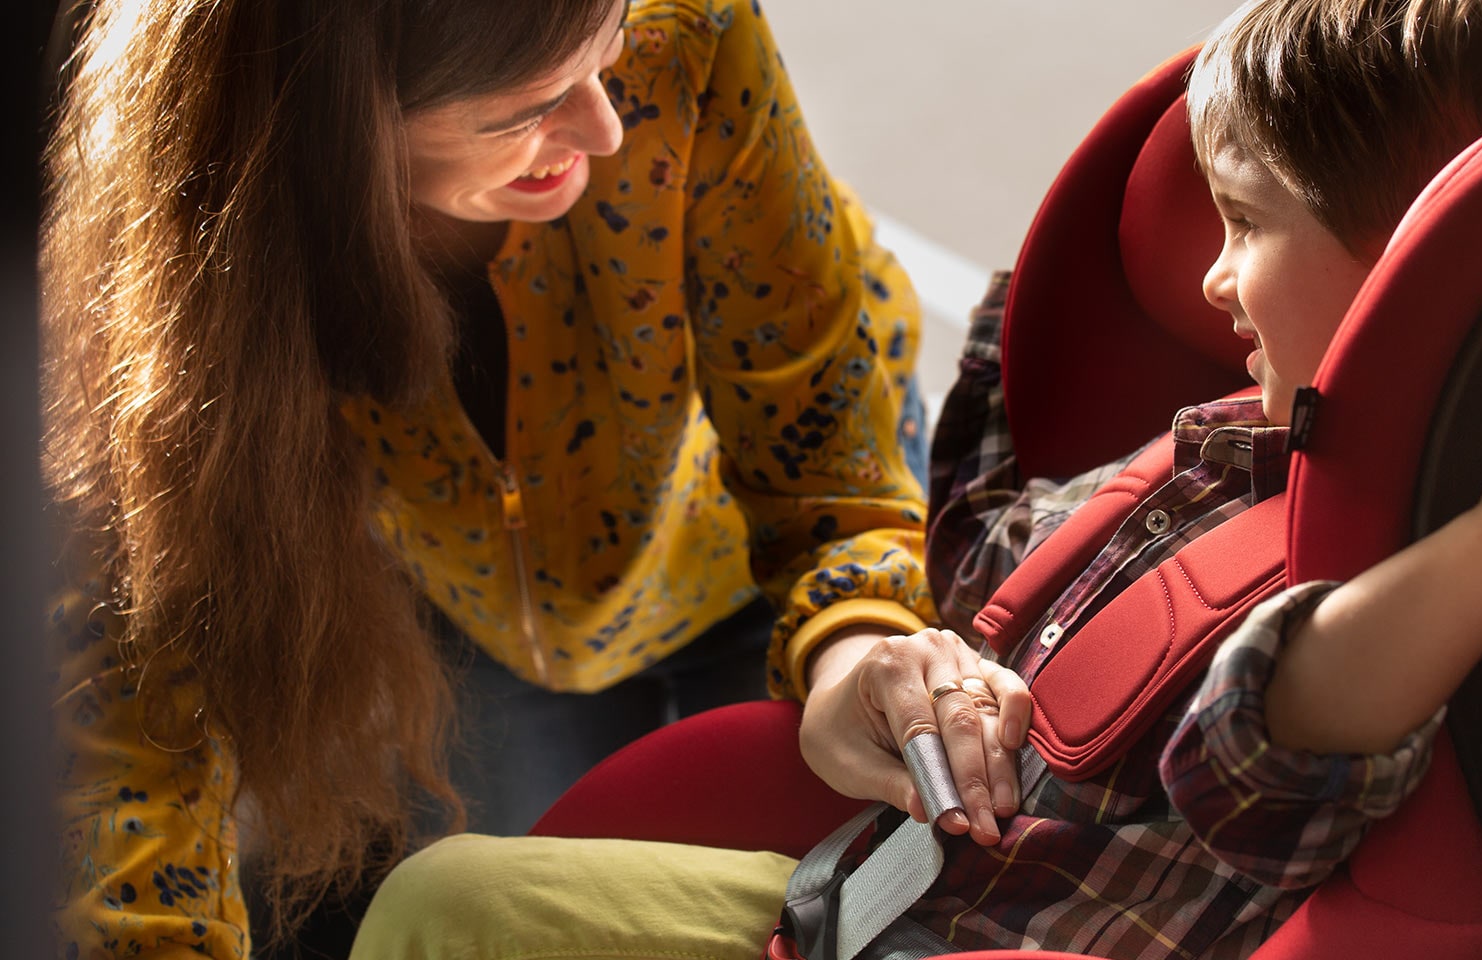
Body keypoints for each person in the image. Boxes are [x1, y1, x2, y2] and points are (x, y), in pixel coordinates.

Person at [342, 1, 1482, 959]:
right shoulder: (1252, 433)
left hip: (990, 929)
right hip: (896, 880)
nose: (1214, 275)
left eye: (1248, 227)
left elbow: (1274, 732)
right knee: (451, 888)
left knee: (448, 904)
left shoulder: (1426, 552)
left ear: (1422, 256)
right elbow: (1016, 558)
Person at [42, 0, 944, 955]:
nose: (605, 126)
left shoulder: (684, 33)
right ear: (322, 123)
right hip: (481, 625)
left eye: (608, 51)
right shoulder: (157, 271)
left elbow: (827, 456)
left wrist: (859, 640)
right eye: (525, 109)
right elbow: (141, 697)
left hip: (756, 549)